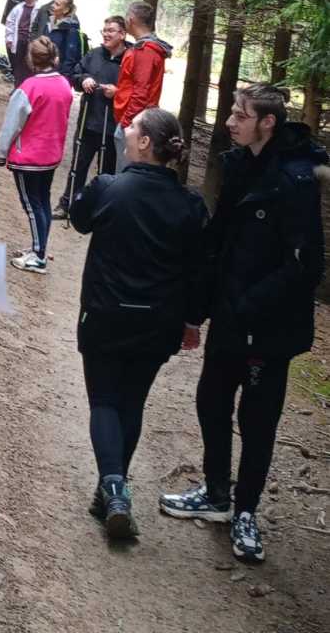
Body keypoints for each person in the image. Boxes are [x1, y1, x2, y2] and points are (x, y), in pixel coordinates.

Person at [159, 84, 327, 563]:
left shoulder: (295, 180)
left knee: (258, 421)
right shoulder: (237, 166)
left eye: (241, 114)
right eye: (232, 112)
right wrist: (197, 309)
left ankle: (246, 511)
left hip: (270, 329)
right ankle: (216, 493)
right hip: (230, 319)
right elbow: (219, 244)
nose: (230, 121)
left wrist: (249, 304)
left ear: (267, 123)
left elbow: (305, 265)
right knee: (211, 401)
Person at [70, 109, 209, 540]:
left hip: (106, 315)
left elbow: (78, 219)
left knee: (104, 401)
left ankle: (113, 488)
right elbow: (201, 271)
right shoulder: (190, 205)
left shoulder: (109, 188)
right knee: (131, 403)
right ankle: (112, 492)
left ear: (146, 143)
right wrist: (193, 320)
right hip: (158, 323)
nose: (126, 131)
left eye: (133, 127)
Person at [0, 36, 72, 275]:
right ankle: (39, 247)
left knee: (31, 205)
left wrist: (1, 153)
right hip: (51, 156)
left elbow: (11, 125)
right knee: (43, 202)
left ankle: (39, 257)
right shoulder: (64, 84)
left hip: (28, 158)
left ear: (31, 59)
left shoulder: (28, 88)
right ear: (54, 57)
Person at [52, 15, 128, 219]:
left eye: (111, 31)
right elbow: (75, 75)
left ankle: (98, 212)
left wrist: (118, 93)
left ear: (122, 34)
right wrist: (84, 79)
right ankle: (67, 205)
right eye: (104, 30)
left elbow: (136, 90)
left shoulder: (130, 59)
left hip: (112, 127)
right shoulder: (94, 54)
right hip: (88, 122)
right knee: (78, 166)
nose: (106, 34)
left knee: (106, 173)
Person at [112, 0, 172, 170]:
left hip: (135, 123)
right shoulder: (146, 47)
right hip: (137, 120)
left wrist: (127, 124)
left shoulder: (145, 50)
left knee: (126, 173)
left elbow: (141, 93)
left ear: (131, 19)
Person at [3, 0, 39, 86]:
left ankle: (26, 88)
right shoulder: (18, 8)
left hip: (32, 43)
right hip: (18, 41)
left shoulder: (40, 9)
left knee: (29, 67)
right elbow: (9, 23)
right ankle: (17, 87)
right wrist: (9, 39)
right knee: (18, 66)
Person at [48, 0, 84, 81]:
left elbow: (70, 59)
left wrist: (63, 79)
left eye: (57, 4)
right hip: (48, 71)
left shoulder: (71, 30)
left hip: (59, 76)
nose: (52, 6)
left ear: (65, 10)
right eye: (53, 3)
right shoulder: (49, 23)